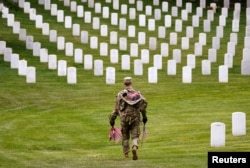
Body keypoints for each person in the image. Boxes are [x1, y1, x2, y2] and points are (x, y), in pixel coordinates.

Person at [109, 77, 148, 160]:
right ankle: (134, 146)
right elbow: (143, 108)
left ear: (124, 83)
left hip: (124, 119)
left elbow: (116, 110)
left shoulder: (120, 95)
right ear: (131, 83)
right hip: (135, 118)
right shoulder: (137, 95)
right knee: (135, 135)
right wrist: (144, 117)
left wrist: (112, 120)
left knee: (125, 136)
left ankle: (126, 154)